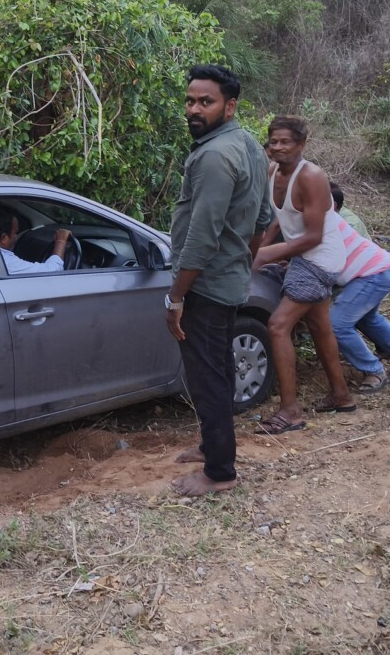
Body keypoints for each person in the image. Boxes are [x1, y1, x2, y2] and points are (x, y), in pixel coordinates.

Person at [165, 64, 271, 497]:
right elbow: (262, 221)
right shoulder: (248, 145)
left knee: (207, 376)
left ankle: (219, 473)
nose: (194, 109)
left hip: (205, 287)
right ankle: (213, 446)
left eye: (205, 102)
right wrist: (242, 266)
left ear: (229, 106)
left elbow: (201, 236)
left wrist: (176, 298)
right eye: (190, 100)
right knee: (221, 370)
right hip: (228, 281)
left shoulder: (213, 156)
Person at [253, 115, 354, 432]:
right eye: (273, 141)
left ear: (301, 145)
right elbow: (276, 220)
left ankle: (290, 411)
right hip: (302, 256)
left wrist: (267, 254)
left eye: (285, 142)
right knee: (320, 326)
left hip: (320, 257)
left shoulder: (312, 177)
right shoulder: (271, 172)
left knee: (278, 325)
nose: (278, 147)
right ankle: (341, 395)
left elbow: (314, 236)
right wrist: (260, 248)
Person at [328, 183, 390, 391]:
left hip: (372, 273)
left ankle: (374, 371)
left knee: (336, 324)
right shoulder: (323, 214)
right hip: (379, 269)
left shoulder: (323, 217)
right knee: (367, 319)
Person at [0, 205, 72, 274]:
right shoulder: (6, 262)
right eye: (15, 233)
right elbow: (52, 271)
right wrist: (61, 242)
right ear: (3, 238)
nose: (16, 237)